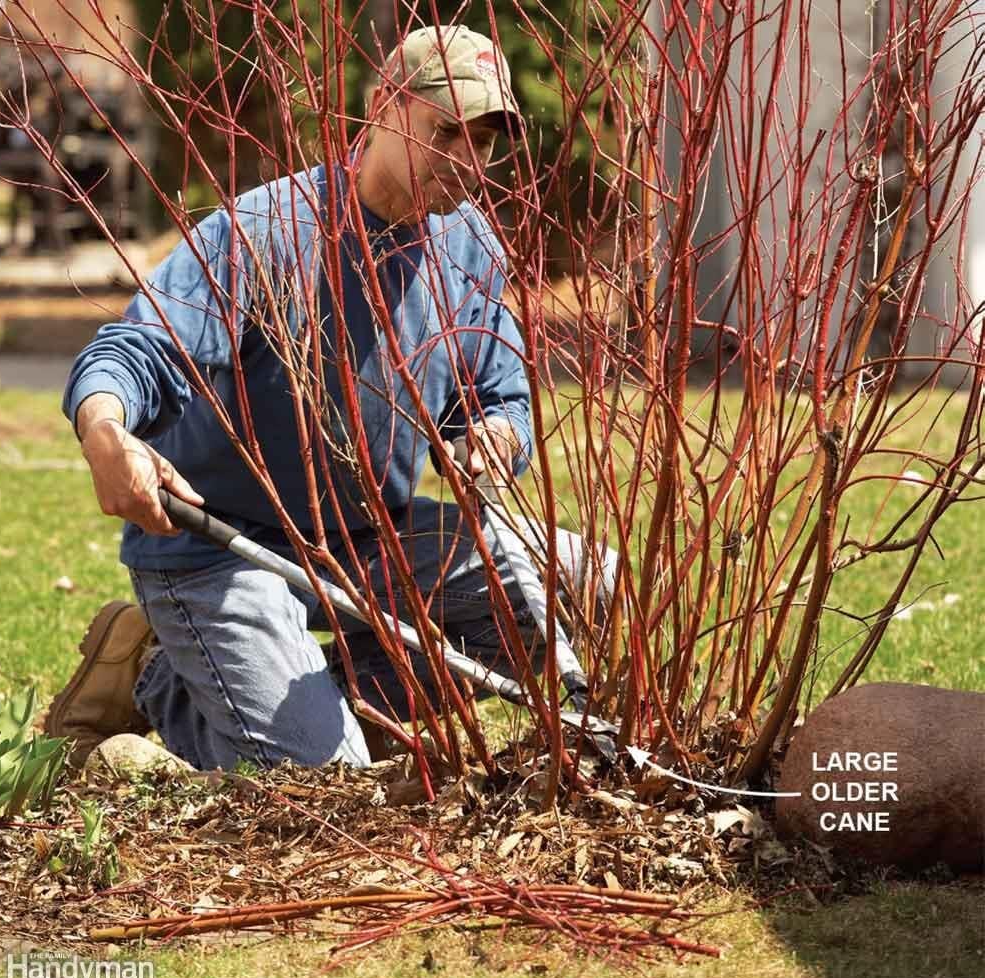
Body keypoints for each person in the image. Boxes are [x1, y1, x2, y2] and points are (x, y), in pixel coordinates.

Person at [44, 24, 613, 773]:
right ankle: (160, 686)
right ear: (382, 106)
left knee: (586, 587)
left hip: (370, 542)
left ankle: (305, 708)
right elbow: (137, 350)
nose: (468, 162)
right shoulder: (267, 233)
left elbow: (497, 392)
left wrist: (497, 435)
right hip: (224, 549)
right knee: (328, 782)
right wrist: (106, 431)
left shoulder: (471, 245)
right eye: (448, 131)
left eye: (487, 142)